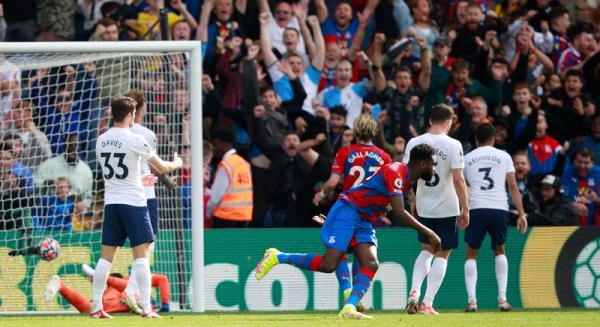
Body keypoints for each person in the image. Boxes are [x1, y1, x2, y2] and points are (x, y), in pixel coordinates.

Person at [255, 144, 441, 319]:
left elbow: (387, 207)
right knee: (329, 265)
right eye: (433, 165)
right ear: (423, 163)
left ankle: (349, 308)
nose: (434, 169)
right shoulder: (396, 171)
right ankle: (277, 256)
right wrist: (430, 233)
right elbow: (399, 212)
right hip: (349, 210)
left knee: (371, 263)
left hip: (362, 220)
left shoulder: (406, 182)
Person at [92, 96, 182, 318]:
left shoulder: (101, 140)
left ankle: (96, 307)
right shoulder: (135, 138)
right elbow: (162, 166)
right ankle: (146, 309)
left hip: (112, 203)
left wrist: (138, 179)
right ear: (131, 115)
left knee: (105, 258)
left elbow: (112, 174)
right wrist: (178, 162)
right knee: (141, 256)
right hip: (134, 203)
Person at [312, 114, 391, 307]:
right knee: (361, 252)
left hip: (347, 207)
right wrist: (387, 207)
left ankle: (348, 291)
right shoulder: (384, 157)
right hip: (367, 210)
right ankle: (354, 295)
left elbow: (332, 182)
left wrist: (321, 195)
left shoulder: (345, 152)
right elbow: (389, 188)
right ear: (374, 132)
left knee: (340, 250)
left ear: (355, 132)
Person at [404, 103, 469, 315]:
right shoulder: (454, 144)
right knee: (442, 254)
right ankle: (427, 303)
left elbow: (405, 178)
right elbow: (459, 180)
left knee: (425, 250)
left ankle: (414, 292)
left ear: (430, 121)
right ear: (449, 122)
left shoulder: (414, 142)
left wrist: (412, 203)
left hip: (424, 207)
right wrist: (465, 208)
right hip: (448, 208)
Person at [463, 123, 528, 312]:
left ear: (476, 139)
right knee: (500, 251)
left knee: (471, 254)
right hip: (499, 208)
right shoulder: (504, 156)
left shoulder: (467, 158)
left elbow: (462, 185)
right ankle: (502, 298)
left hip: (476, 208)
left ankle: (472, 301)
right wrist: (522, 213)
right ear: (494, 138)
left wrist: (463, 209)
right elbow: (513, 187)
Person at [43, 267, 171, 314]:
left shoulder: (127, 281)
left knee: (90, 308)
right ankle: (98, 276)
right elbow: (163, 279)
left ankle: (61, 286)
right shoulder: (134, 280)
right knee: (91, 308)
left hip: (125, 298)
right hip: (135, 301)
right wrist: (165, 305)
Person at [207, 128, 253, 227]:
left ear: (225, 145)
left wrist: (208, 213)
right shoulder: (244, 163)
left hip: (225, 216)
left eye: (216, 144)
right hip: (243, 216)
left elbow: (216, 197)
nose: (213, 149)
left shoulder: (226, 165)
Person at [561, 147, 600, 226]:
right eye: (579, 162)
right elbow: (562, 199)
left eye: (586, 163)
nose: (582, 166)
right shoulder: (567, 173)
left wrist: (596, 199)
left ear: (592, 163)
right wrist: (573, 205)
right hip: (572, 225)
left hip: (596, 226)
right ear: (574, 161)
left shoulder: (598, 173)